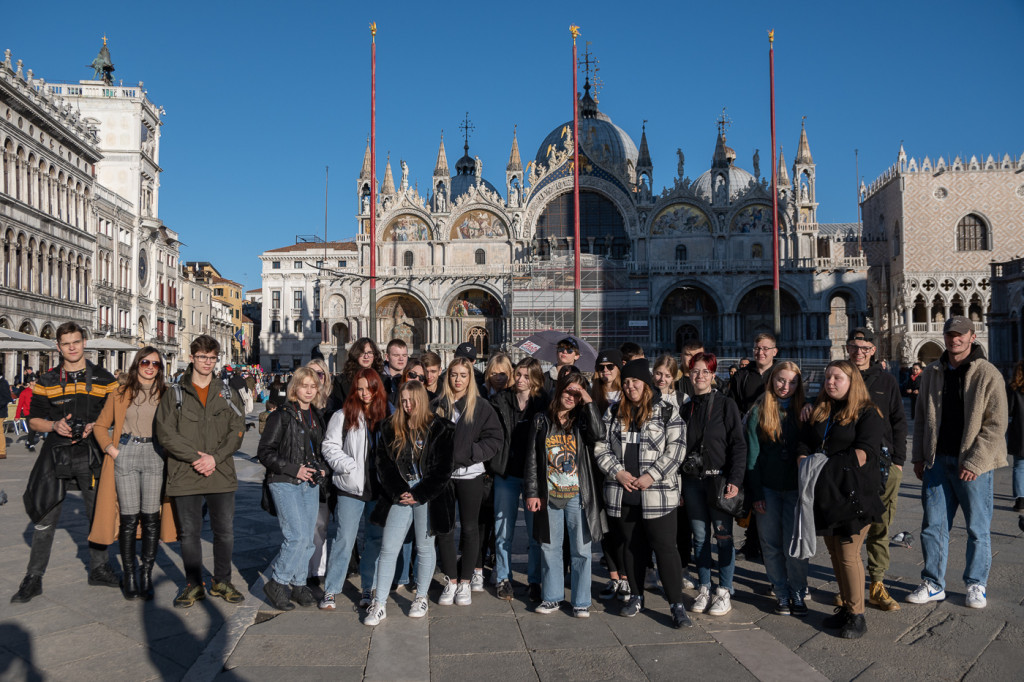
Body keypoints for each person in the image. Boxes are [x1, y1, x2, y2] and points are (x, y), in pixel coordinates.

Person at [11, 322, 121, 604]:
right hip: (54, 453)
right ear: (58, 347)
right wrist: (53, 424)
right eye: (66, 343)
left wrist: (96, 425)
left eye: (76, 341)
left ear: (84, 343)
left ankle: (98, 568)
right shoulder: (45, 381)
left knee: (97, 513)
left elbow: (118, 415)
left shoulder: (105, 379)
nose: (72, 347)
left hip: (92, 453)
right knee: (45, 515)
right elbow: (32, 420)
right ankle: (33, 577)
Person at [908, 316, 1007, 610]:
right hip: (937, 461)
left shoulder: (988, 374)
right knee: (933, 525)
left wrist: (975, 461)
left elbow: (996, 424)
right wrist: (918, 456)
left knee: (977, 527)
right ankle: (933, 583)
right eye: (951, 335)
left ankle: (976, 584)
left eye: (961, 335)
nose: (955, 340)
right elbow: (923, 417)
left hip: (973, 464)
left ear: (972, 337)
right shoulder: (932, 372)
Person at [594, 360, 691, 627]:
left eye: (635, 381)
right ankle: (636, 595)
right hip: (624, 492)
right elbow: (601, 447)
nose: (630, 386)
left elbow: (677, 450)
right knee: (631, 548)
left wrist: (652, 476)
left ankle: (676, 604)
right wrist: (618, 472)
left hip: (657, 494)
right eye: (625, 382)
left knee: (665, 549)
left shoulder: (667, 412)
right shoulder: (614, 412)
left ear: (646, 384)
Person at [155, 335, 246, 609]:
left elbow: (237, 430)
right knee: (189, 533)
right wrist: (197, 458)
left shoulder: (227, 393)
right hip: (186, 473)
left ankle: (222, 581)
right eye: (202, 357)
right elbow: (165, 433)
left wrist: (214, 459)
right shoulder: (175, 393)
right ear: (192, 358)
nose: (207, 362)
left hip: (220, 472)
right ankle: (193, 585)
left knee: (224, 532)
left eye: (211, 357)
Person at [797, 360, 884, 638]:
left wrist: (820, 466)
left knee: (848, 554)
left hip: (853, 495)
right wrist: (802, 459)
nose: (830, 382)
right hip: (826, 494)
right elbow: (805, 440)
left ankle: (858, 615)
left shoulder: (867, 412)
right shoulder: (822, 410)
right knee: (834, 552)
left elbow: (864, 452)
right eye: (827, 378)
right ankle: (847, 607)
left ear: (852, 382)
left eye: (837, 378)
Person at [363, 381, 456, 625]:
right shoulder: (389, 427)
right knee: (388, 548)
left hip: (428, 495)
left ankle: (421, 596)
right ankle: (379, 603)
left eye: (412, 400)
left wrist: (421, 492)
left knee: (425, 547)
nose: (407, 405)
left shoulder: (442, 428)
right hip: (400, 494)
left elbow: (444, 469)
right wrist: (400, 491)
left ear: (422, 400)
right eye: (403, 400)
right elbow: (383, 465)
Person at [90, 347, 173, 601]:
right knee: (128, 518)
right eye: (145, 362)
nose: (150, 367)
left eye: (155, 364)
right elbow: (101, 425)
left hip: (155, 454)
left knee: (150, 517)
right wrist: (112, 450)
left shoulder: (167, 394)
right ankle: (129, 575)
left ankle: (146, 575)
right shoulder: (119, 393)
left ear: (160, 368)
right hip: (126, 452)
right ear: (136, 364)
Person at [526, 371, 608, 619]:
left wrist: (589, 400)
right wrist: (532, 492)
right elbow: (531, 460)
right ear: (559, 389)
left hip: (577, 495)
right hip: (549, 493)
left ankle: (581, 601)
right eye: (568, 391)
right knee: (550, 548)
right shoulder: (541, 420)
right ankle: (551, 597)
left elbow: (600, 433)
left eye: (577, 394)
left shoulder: (582, 420)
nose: (571, 397)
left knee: (581, 550)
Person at [678, 352, 746, 617]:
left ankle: (724, 589)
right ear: (689, 375)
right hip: (693, 482)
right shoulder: (686, 407)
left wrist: (735, 480)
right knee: (700, 538)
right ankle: (705, 587)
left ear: (713, 375)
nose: (700, 376)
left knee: (723, 536)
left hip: (719, 480)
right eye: (695, 371)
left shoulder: (726, 405)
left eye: (705, 371)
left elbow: (738, 445)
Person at [846, 328, 907, 612]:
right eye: (853, 347)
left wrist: (899, 460)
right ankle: (849, 586)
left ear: (873, 349)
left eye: (864, 347)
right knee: (849, 525)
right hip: (848, 463)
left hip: (884, 463)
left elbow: (898, 419)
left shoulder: (886, 380)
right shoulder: (840, 376)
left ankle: (877, 583)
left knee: (881, 525)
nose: (858, 352)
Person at [434, 357, 504, 606]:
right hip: (443, 477)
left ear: (470, 378)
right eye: (454, 374)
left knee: (471, 528)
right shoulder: (437, 405)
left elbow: (495, 439)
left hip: (471, 474)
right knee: (445, 529)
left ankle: (465, 581)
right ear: (447, 376)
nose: (458, 379)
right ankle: (450, 580)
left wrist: (472, 454)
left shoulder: (481, 406)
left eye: (463, 375)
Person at [258, 367, 328, 610]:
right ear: (294, 388)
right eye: (304, 386)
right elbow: (264, 452)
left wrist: (321, 469)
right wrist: (292, 468)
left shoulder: (317, 416)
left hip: (309, 483)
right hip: (284, 481)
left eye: (313, 386)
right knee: (296, 536)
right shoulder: (282, 416)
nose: (308, 391)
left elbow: (319, 451)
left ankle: (299, 584)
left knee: (308, 538)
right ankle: (278, 582)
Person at [320, 368, 390, 610]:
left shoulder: (386, 414)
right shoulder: (343, 414)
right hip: (351, 485)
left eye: (368, 388)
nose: (364, 393)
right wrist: (347, 465)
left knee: (374, 539)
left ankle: (368, 588)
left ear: (376, 388)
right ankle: (331, 589)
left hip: (378, 487)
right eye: (359, 388)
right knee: (344, 538)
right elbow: (329, 446)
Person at [746, 362, 809, 616]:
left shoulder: (804, 410)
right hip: (768, 489)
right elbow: (752, 456)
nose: (786, 387)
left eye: (793, 382)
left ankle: (798, 590)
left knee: (795, 545)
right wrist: (756, 494)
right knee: (770, 544)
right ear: (772, 380)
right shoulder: (758, 411)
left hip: (796, 489)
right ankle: (781, 590)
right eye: (781, 380)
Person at [490, 357, 548, 600]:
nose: (521, 380)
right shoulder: (500, 400)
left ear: (535, 378)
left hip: (534, 475)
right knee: (504, 528)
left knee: (536, 531)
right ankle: (503, 577)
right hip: (507, 471)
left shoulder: (544, 403)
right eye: (518, 375)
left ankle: (534, 580)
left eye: (526, 376)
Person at [726, 333, 777, 561]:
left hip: (774, 443)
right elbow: (731, 406)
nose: (761, 352)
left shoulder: (781, 375)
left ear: (775, 351)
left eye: (766, 348)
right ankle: (751, 541)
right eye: (757, 348)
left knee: (769, 494)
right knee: (752, 493)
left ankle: (765, 542)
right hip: (748, 442)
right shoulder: (743, 376)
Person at [652, 354, 697, 591]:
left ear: (674, 377)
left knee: (680, 522)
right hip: (650, 465)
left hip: (676, 466)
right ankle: (652, 567)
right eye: (658, 373)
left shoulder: (683, 398)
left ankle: (681, 568)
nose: (662, 378)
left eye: (667, 375)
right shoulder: (647, 396)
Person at [591, 348, 631, 602]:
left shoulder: (628, 392)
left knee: (623, 526)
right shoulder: (593, 394)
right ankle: (614, 576)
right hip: (597, 466)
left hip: (623, 470)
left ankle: (627, 578)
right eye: (602, 367)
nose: (605, 372)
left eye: (610, 367)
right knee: (604, 525)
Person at [305, 358, 336, 589]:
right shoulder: (300, 407)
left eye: (321, 374)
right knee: (311, 525)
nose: (316, 379)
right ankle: (312, 570)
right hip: (309, 472)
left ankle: (319, 568)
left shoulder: (334, 405)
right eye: (312, 374)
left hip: (332, 471)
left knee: (322, 524)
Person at [329, 338, 384, 410]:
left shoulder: (383, 380)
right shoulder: (341, 381)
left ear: (374, 355)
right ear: (355, 354)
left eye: (370, 352)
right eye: (362, 352)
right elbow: (338, 408)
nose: (366, 356)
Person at [1008, 360, 1024, 512]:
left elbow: (1009, 411)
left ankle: (1020, 500)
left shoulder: (1014, 389)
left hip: (1020, 432)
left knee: (1019, 466)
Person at [382, 339, 410, 404]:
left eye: (404, 355)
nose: (401, 359)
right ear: (387, 357)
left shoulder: (413, 377)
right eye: (396, 355)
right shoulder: (377, 378)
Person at [15, 377, 38, 451]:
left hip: (36, 412)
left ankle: (28, 440)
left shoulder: (38, 391)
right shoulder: (24, 392)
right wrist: (17, 416)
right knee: (31, 428)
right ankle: (31, 444)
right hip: (28, 413)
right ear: (31, 382)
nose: (36, 383)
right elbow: (20, 405)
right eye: (34, 381)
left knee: (35, 429)